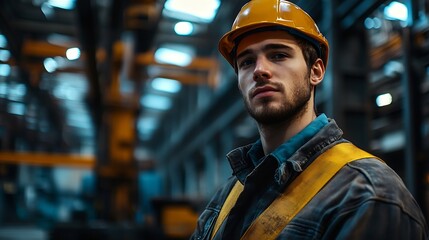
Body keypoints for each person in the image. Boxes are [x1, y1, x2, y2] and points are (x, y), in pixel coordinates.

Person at [191, 0, 428, 239]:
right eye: (246, 62)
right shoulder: (226, 198)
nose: (259, 70)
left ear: (316, 71)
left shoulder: (367, 195)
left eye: (278, 55)